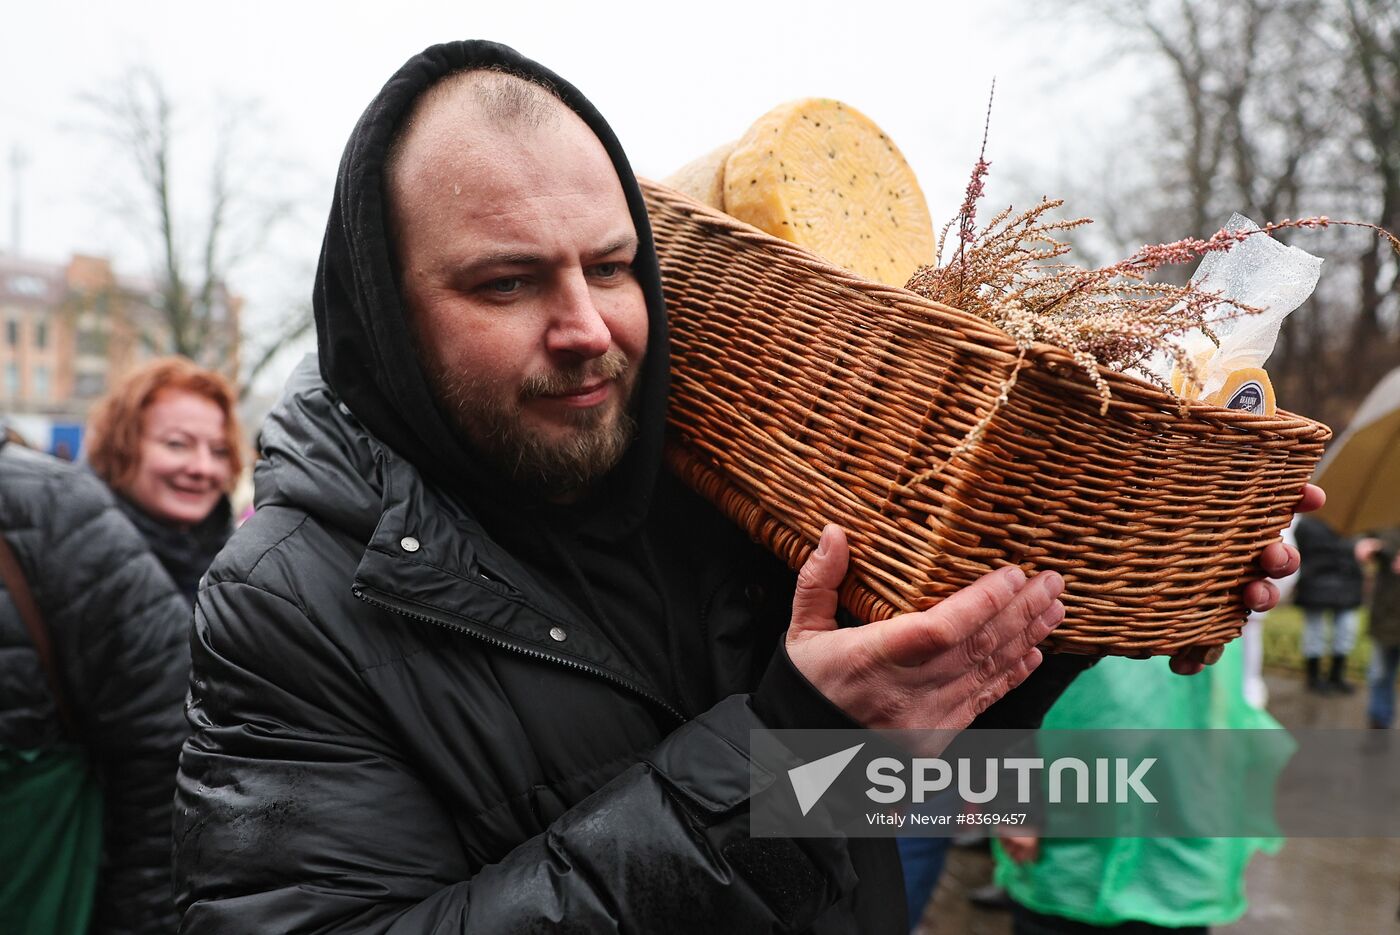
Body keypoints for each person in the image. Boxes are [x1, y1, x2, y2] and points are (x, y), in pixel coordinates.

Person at [172, 41, 1315, 932]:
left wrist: (1072, 604)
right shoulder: (287, 599)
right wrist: (778, 754)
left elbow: (894, 791)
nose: (587, 329)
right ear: (386, 313)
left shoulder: (733, 482)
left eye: (611, 266)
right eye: (506, 282)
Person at [0, 431, 190, 933]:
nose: (198, 467)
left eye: (218, 450)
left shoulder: (51, 511)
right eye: (178, 443)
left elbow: (165, 744)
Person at [991, 641, 1285, 934]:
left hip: (1176, 848)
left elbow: (1225, 714)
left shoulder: (1210, 608)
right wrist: (1013, 796)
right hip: (1068, 841)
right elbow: (1015, 695)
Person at [84, 357, 243, 605]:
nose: (203, 467)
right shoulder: (65, 560)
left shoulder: (245, 568)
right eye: (177, 444)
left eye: (219, 451)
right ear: (120, 446)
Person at [1293, 515, 1364, 693]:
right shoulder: (1309, 524)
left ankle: (1335, 676)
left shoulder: (1352, 524)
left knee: (1344, 631)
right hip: (1318, 584)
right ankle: (1314, 677)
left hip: (1344, 586)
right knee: (1315, 632)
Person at [1356, 529, 1400, 729]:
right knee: (1380, 673)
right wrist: (1367, 545)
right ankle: (1379, 720)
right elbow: (1363, 538)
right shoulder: (1387, 524)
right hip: (1386, 616)